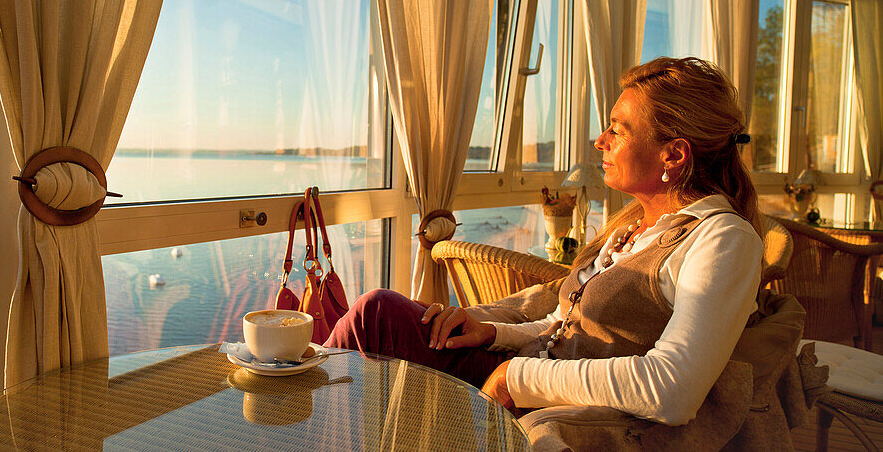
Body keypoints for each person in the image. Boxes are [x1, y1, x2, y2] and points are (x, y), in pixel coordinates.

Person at [325, 57, 765, 426]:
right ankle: (301, 411)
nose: (600, 141)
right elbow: (561, 324)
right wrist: (493, 332)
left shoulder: (723, 240)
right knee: (378, 312)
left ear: (673, 154)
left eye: (619, 130)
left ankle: (296, 419)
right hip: (526, 369)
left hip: (554, 404)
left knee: (373, 318)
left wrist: (518, 378)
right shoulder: (636, 225)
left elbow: (672, 388)